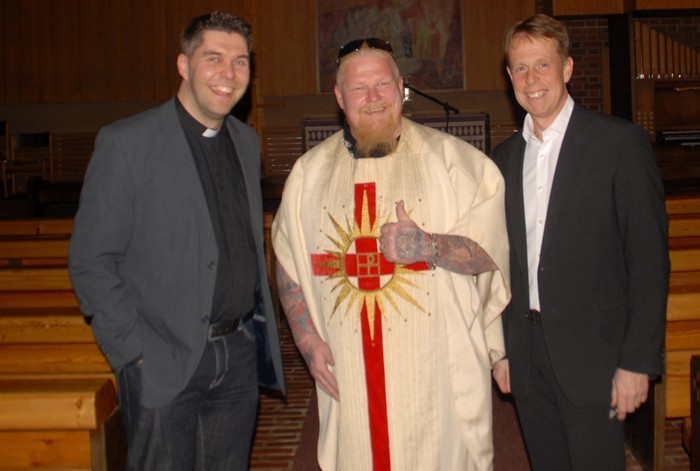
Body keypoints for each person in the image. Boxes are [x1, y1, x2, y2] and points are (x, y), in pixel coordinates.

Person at [272, 38, 511, 470]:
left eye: (382, 84)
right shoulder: (308, 175)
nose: (373, 98)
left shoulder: (455, 162)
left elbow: (491, 253)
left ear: (402, 87)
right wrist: (306, 338)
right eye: (359, 89)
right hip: (351, 377)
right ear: (340, 98)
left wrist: (429, 247)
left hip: (437, 374)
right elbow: (289, 262)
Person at [68, 11, 284, 470]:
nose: (229, 74)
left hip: (237, 354)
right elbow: (91, 260)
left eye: (241, 61)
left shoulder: (245, 141)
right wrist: (135, 353)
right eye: (214, 58)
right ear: (184, 65)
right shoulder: (128, 143)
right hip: (164, 358)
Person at [490, 14, 670, 470]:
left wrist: (638, 362)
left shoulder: (618, 143)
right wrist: (503, 350)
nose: (532, 80)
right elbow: (504, 264)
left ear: (567, 68)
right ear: (509, 76)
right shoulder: (504, 160)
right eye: (520, 68)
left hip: (597, 357)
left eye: (542, 65)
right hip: (528, 358)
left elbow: (648, 261)